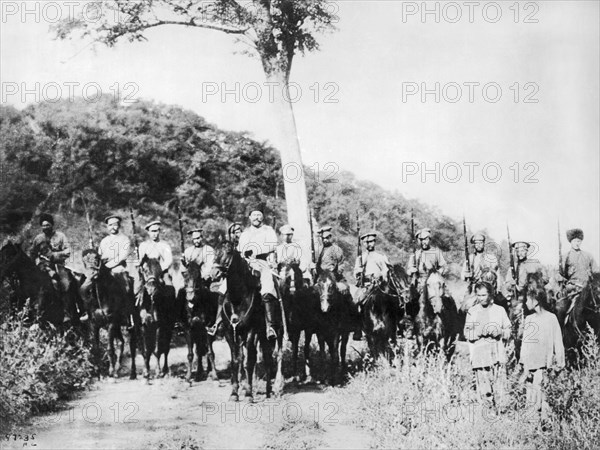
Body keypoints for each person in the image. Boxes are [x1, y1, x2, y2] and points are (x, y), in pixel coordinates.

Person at [519, 284, 565, 419]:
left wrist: (559, 364)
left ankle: (546, 429)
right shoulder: (529, 319)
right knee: (532, 401)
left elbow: (558, 342)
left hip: (545, 368)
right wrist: (524, 365)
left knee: (545, 400)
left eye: (528, 300)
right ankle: (532, 431)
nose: (526, 303)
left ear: (536, 301)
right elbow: (525, 344)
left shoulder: (551, 318)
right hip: (531, 367)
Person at [463, 282, 511, 408]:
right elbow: (467, 333)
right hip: (480, 356)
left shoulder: (499, 310)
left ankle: (502, 415)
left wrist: (499, 332)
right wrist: (478, 332)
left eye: (484, 295)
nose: (481, 298)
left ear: (490, 295)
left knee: (500, 388)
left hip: (497, 354)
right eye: (478, 295)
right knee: (485, 391)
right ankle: (487, 417)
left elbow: (508, 331)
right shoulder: (472, 312)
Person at [31, 213, 86, 321]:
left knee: (66, 283)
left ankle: (67, 312)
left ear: (52, 225)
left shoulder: (60, 236)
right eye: (43, 225)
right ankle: (34, 314)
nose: (45, 227)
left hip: (58, 265)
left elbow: (68, 250)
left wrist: (56, 255)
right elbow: (33, 253)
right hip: (43, 266)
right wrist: (39, 263)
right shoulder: (38, 239)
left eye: (47, 225)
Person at [237, 204, 279, 340]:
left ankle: (270, 326)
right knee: (226, 285)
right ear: (249, 217)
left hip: (263, 262)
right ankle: (221, 320)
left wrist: (256, 250)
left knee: (267, 285)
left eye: (259, 215)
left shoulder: (268, 230)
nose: (256, 217)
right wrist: (246, 254)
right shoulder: (245, 233)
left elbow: (272, 244)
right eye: (254, 215)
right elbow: (240, 248)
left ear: (263, 217)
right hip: (247, 263)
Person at [98, 215, 134, 296]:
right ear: (107, 226)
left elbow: (122, 256)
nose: (112, 227)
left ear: (119, 226)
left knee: (124, 288)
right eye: (110, 225)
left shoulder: (125, 239)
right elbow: (100, 255)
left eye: (115, 225)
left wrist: (107, 266)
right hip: (103, 268)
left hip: (118, 268)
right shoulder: (104, 241)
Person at [354, 231, 390, 301]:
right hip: (366, 286)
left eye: (371, 242)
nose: (369, 244)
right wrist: (358, 271)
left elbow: (386, 270)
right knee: (356, 301)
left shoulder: (380, 256)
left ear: (374, 242)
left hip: (379, 285)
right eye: (366, 242)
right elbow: (355, 273)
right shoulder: (360, 258)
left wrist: (381, 275)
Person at [562, 228, 598, 294]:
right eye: (574, 241)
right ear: (571, 242)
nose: (577, 243)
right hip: (572, 288)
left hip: (588, 288)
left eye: (578, 241)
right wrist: (567, 284)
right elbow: (560, 274)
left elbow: (596, 271)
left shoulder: (588, 256)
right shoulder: (565, 257)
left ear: (581, 242)